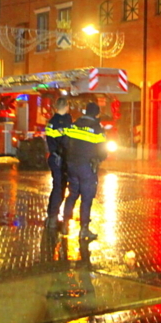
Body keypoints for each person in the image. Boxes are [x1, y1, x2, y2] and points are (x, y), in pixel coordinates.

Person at [62, 102, 107, 240]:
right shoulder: (97, 129)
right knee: (86, 198)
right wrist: (97, 159)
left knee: (73, 194)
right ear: (96, 114)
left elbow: (64, 142)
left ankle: (64, 224)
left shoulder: (74, 125)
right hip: (86, 167)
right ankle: (84, 230)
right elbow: (103, 153)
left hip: (72, 165)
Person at [44, 97, 72, 228]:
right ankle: (53, 218)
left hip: (55, 157)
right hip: (60, 158)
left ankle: (51, 215)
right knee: (59, 188)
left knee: (58, 187)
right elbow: (67, 141)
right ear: (66, 106)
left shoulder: (52, 121)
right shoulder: (66, 122)